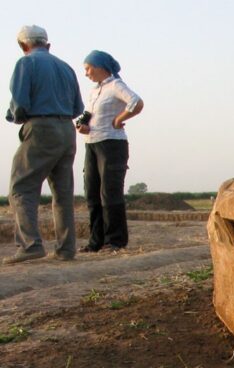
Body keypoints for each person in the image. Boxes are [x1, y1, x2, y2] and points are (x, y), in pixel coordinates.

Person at [4, 25, 84, 264]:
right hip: (67, 129)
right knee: (63, 192)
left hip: (41, 127)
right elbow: (78, 108)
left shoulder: (26, 63)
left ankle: (30, 245)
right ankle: (66, 249)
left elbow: (19, 104)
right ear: (47, 45)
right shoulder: (66, 67)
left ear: (23, 46)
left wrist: (15, 117)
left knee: (21, 188)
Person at [77, 50, 143, 253]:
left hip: (112, 143)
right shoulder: (94, 91)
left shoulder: (115, 85)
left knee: (110, 192)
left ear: (100, 67)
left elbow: (136, 102)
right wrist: (84, 126)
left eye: (88, 68)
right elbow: (90, 115)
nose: (86, 73)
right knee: (92, 193)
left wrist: (119, 119)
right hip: (92, 142)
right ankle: (96, 241)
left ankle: (115, 240)